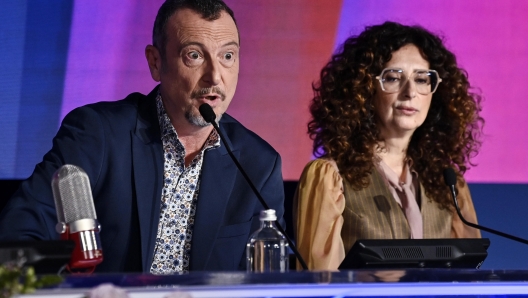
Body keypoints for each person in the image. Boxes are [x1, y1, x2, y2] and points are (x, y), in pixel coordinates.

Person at [0, 0, 285, 274]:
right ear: (155, 62)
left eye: (227, 56)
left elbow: (268, 279)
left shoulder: (258, 164)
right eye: (194, 55)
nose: (215, 76)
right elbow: (22, 230)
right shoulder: (97, 135)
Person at [294, 21, 484, 270]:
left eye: (422, 79)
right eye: (393, 78)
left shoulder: (449, 184)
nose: (410, 92)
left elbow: (466, 280)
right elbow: (321, 285)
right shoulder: (330, 178)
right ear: (363, 89)